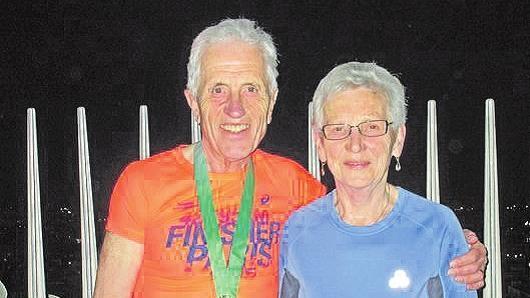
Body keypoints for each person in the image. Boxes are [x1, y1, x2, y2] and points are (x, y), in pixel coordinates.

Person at [93, 19, 486, 297]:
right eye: (217, 91)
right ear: (192, 102)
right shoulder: (142, 182)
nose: (235, 109)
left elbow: (362, 211)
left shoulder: (295, 185)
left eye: (250, 88)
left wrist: (462, 248)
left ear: (272, 100)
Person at [279, 62, 480, 297]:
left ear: (397, 140)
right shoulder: (298, 231)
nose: (355, 144)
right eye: (338, 128)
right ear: (320, 144)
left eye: (372, 126)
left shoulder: (437, 227)